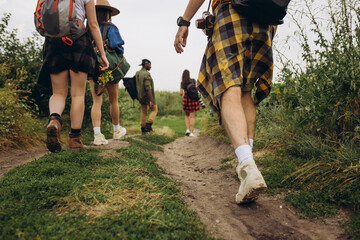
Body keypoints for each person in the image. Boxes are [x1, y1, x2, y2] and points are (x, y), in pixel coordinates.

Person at [174, 0, 277, 203]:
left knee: (229, 87)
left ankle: (248, 167)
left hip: (232, 12)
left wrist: (184, 20)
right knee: (246, 91)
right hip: (266, 19)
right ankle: (249, 166)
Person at [38, 0, 109, 152]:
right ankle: (75, 140)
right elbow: (93, 24)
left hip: (53, 42)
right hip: (78, 42)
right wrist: (102, 54)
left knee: (58, 92)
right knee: (77, 94)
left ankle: (55, 121)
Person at [88, 0, 127, 146]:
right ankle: (116, 130)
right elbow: (118, 45)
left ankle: (97, 134)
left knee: (96, 101)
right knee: (113, 100)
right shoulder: (110, 27)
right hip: (109, 67)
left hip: (93, 67)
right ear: (109, 13)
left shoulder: (89, 28)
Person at [135, 59, 158, 134]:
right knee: (154, 109)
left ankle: (143, 128)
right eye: (150, 65)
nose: (150, 66)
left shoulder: (137, 73)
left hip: (140, 96)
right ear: (146, 64)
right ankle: (148, 125)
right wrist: (151, 100)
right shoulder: (146, 74)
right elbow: (148, 88)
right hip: (147, 96)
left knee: (144, 112)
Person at [180, 70, 200, 137]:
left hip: (186, 100)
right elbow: (195, 89)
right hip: (193, 99)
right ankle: (191, 133)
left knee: (186, 116)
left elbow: (180, 93)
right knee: (192, 117)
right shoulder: (193, 80)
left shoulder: (182, 82)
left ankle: (187, 130)